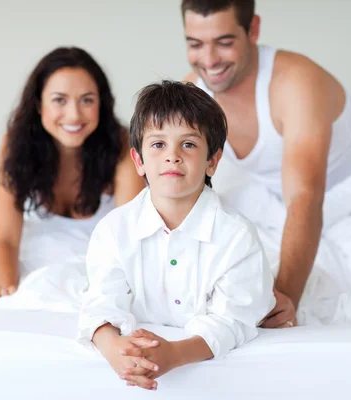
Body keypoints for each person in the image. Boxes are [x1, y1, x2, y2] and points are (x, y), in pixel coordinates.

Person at [180, 0, 351, 327]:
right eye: (195, 44)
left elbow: (305, 197)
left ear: (253, 29)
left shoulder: (295, 82)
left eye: (224, 42)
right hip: (280, 208)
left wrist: (285, 299)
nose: (210, 59)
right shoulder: (195, 92)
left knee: (333, 299)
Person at [77, 80, 274, 391]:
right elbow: (100, 305)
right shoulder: (114, 231)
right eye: (158, 145)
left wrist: (174, 354)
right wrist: (114, 350)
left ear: (213, 160)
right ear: (138, 161)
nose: (173, 156)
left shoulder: (236, 237)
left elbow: (232, 322)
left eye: (189, 144)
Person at [0, 47, 145, 296]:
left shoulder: (123, 146)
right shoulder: (15, 145)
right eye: (59, 100)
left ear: (101, 104)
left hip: (98, 275)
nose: (74, 114)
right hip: (36, 272)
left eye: (87, 100)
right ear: (39, 104)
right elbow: (5, 239)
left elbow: (129, 242)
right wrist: (10, 294)